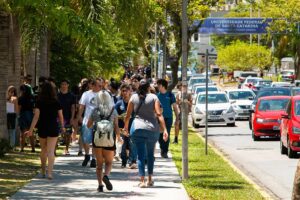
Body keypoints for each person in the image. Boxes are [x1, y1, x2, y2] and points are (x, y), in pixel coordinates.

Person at [124, 79, 168, 188]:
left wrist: (125, 128)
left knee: (140, 156)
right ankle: (150, 179)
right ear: (149, 88)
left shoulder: (133, 97)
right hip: (152, 129)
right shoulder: (154, 97)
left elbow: (128, 115)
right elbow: (158, 114)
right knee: (150, 155)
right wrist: (165, 130)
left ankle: (142, 181)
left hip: (137, 128)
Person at [25, 81, 65, 180]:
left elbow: (36, 117)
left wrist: (31, 129)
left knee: (43, 149)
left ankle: (43, 170)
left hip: (42, 127)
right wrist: (62, 126)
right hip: (53, 127)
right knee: (51, 151)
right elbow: (60, 116)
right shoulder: (56, 102)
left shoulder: (39, 102)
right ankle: (50, 173)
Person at [87, 90, 121, 192]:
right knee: (109, 162)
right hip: (109, 139)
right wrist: (119, 137)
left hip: (97, 140)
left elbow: (88, 125)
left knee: (99, 164)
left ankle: (100, 185)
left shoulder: (95, 111)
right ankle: (106, 175)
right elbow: (116, 126)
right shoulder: (113, 111)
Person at [77, 78, 103, 167]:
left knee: (96, 141)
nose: (101, 87)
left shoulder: (103, 94)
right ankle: (87, 155)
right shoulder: (86, 94)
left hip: (99, 121)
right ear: (93, 85)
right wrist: (79, 117)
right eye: (99, 85)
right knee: (85, 139)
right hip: (87, 120)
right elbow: (81, 106)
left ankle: (93, 158)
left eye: (101, 85)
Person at [115, 83, 137, 169]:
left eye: (126, 91)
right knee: (123, 146)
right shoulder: (119, 103)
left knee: (132, 144)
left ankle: (132, 161)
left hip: (132, 127)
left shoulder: (134, 102)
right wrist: (121, 117)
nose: (124, 93)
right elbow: (114, 115)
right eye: (122, 91)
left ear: (130, 91)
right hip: (122, 128)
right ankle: (124, 161)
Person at [157, 79, 179, 158]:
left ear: (163, 86)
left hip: (168, 117)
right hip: (159, 118)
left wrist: (177, 117)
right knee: (159, 135)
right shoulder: (157, 96)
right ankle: (162, 147)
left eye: (159, 85)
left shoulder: (170, 95)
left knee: (167, 134)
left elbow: (175, 106)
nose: (157, 86)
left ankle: (165, 151)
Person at [58, 80, 76, 155]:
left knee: (68, 134)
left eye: (65, 84)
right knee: (57, 134)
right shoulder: (57, 95)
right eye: (62, 84)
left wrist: (72, 117)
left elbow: (73, 107)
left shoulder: (71, 96)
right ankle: (54, 150)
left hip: (68, 117)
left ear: (68, 85)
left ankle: (66, 149)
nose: (64, 86)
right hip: (58, 117)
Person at [18, 84, 35, 152]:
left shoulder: (21, 98)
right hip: (30, 115)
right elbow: (34, 108)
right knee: (31, 132)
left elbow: (19, 108)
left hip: (23, 114)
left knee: (23, 132)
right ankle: (33, 148)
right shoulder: (32, 97)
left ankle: (22, 148)